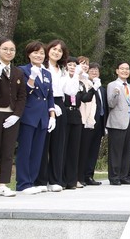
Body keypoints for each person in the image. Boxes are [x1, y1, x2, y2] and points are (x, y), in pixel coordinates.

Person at [0, 38, 27, 198]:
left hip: (11, 114)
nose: (9, 52)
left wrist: (17, 115)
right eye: (5, 49)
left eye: (12, 49)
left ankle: (3, 184)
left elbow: (22, 96)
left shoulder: (18, 72)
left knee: (8, 150)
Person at [36, 39, 78, 193]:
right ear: (48, 50)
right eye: (54, 49)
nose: (56, 52)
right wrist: (51, 106)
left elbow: (71, 91)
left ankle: (55, 179)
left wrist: (75, 75)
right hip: (44, 103)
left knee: (59, 144)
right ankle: (41, 180)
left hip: (60, 104)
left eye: (60, 51)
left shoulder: (63, 70)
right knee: (43, 143)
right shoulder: (41, 67)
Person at [16, 40, 55, 195]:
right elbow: (23, 93)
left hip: (43, 116)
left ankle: (32, 181)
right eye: (35, 52)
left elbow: (49, 95)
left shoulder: (47, 73)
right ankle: (23, 183)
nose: (39, 55)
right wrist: (31, 78)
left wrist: (52, 115)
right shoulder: (22, 70)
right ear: (29, 54)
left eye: (41, 53)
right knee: (25, 150)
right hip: (29, 115)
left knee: (38, 151)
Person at [63, 56, 95, 189]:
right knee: (63, 148)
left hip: (76, 115)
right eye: (69, 65)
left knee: (74, 150)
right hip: (64, 113)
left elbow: (85, 98)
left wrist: (93, 89)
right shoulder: (62, 79)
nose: (72, 67)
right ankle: (61, 180)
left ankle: (72, 180)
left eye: (74, 65)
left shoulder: (80, 83)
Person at [106, 61, 130, 185]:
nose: (125, 71)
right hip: (117, 122)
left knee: (127, 150)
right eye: (122, 68)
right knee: (116, 151)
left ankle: (124, 175)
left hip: (129, 121)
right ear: (117, 71)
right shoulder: (112, 85)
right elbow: (111, 104)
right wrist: (115, 93)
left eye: (127, 69)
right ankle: (114, 176)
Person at [81, 63, 106, 186]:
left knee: (94, 151)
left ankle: (89, 175)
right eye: (92, 70)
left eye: (96, 71)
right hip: (88, 122)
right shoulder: (86, 85)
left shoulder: (101, 88)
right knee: (85, 150)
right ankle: (81, 176)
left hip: (100, 123)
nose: (94, 72)